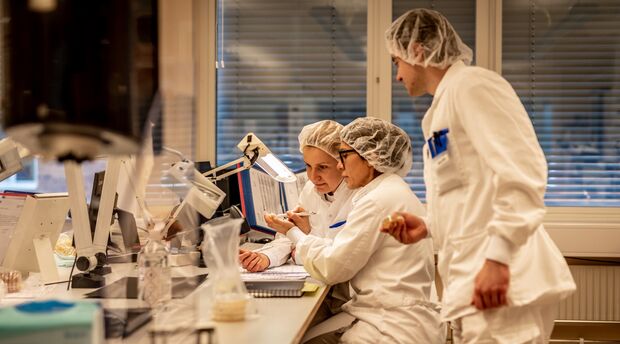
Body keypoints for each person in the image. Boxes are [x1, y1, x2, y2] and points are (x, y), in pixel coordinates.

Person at [381, 9, 576, 343]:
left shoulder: (472, 86)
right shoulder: (443, 106)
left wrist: (498, 259)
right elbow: (467, 190)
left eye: (396, 62)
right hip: (472, 277)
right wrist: (429, 225)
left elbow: (522, 173)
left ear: (417, 51)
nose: (397, 76)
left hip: (502, 278)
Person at [276, 117, 443, 344]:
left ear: (370, 158)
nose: (339, 165)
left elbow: (333, 267)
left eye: (344, 156)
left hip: (391, 326)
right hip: (386, 314)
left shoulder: (378, 200)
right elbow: (339, 248)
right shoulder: (386, 190)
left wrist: (292, 232)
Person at [238, 120, 356, 273]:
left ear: (342, 164)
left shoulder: (358, 195)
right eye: (308, 165)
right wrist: (266, 257)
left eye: (322, 167)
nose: (313, 176)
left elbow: (337, 255)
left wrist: (299, 245)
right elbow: (288, 239)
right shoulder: (310, 189)